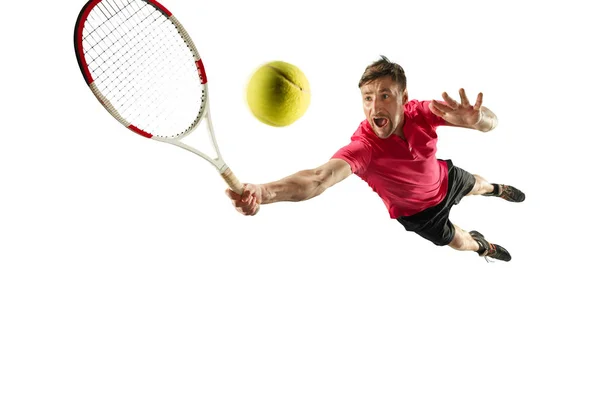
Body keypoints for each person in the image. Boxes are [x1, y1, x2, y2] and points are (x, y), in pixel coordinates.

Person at [226, 56, 525, 262]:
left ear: (403, 97)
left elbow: (491, 123)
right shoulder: (364, 147)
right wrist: (264, 193)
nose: (374, 106)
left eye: (384, 96)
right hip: (418, 214)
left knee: (477, 185)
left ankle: (497, 190)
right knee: (459, 241)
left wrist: (478, 119)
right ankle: (483, 247)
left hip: (445, 178)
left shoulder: (422, 112)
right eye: (367, 97)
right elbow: (318, 179)